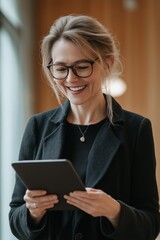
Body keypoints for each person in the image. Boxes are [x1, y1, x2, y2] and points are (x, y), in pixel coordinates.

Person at [9, 14, 160, 240]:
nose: (71, 79)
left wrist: (114, 211)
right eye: (60, 68)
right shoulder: (37, 126)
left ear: (107, 64)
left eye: (82, 66)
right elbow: (15, 218)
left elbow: (150, 225)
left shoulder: (136, 129)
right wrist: (33, 212)